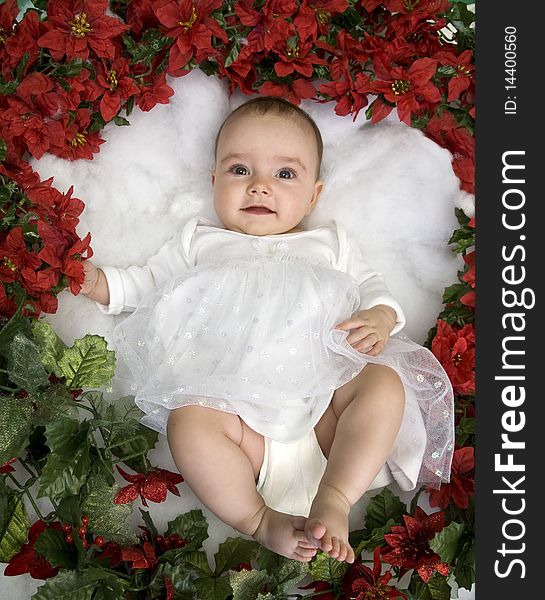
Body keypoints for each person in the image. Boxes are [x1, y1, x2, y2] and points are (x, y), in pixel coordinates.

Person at [80, 96, 454, 565]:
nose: (259, 186)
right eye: (239, 170)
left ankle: (335, 496)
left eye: (284, 174)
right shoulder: (199, 243)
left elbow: (372, 288)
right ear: (214, 180)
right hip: (238, 422)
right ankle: (258, 520)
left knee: (382, 383)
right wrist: (100, 283)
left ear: (313, 195)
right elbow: (146, 284)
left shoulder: (329, 244)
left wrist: (380, 316)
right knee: (190, 422)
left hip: (326, 418)